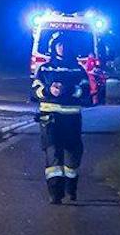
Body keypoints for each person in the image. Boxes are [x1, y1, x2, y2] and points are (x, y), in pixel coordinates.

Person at [32, 31, 93, 204]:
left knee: (72, 157)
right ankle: (55, 193)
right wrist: (48, 90)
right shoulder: (44, 69)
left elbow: (86, 92)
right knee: (53, 157)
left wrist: (69, 90)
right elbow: (34, 90)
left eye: (65, 44)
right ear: (53, 47)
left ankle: (71, 188)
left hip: (71, 120)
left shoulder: (77, 69)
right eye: (59, 44)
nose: (62, 48)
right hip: (50, 119)